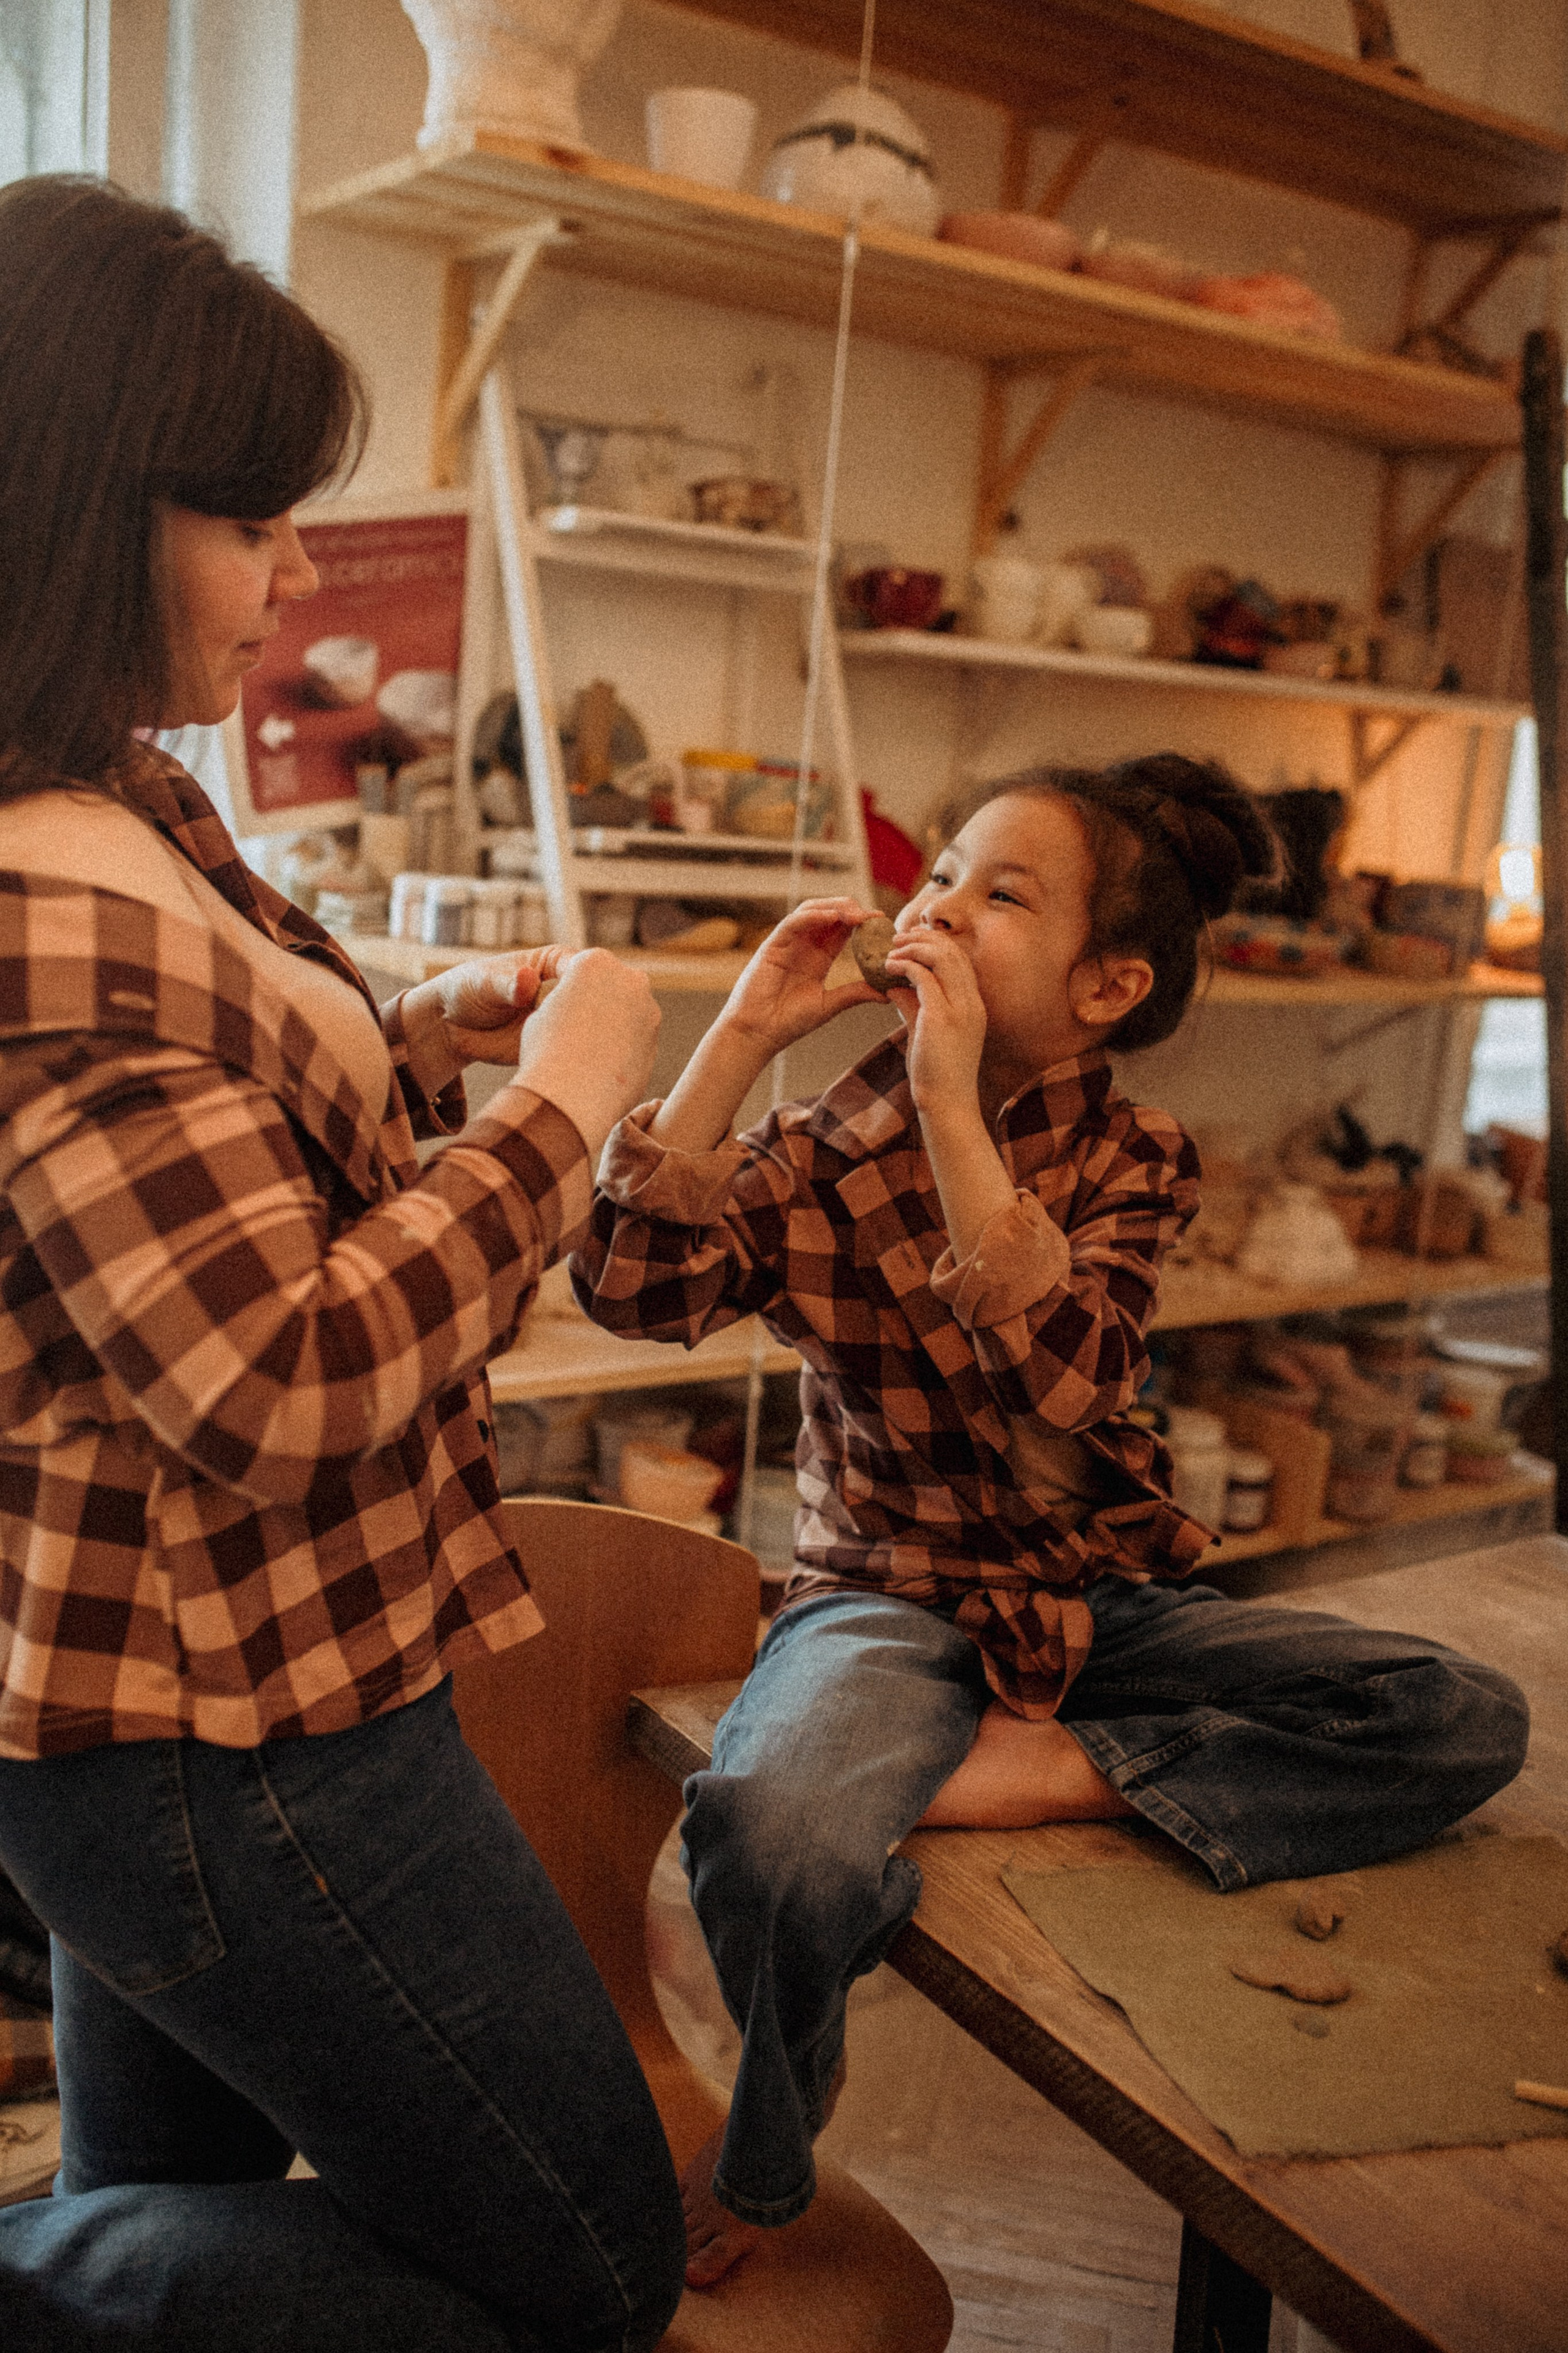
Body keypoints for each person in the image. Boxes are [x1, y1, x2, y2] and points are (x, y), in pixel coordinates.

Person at [0, 176, 684, 2352]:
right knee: (587, 2277)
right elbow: (273, 1379)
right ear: (85, 504)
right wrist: (559, 1112)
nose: (299, 572)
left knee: (168, 2196)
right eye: (255, 517)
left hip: (216, 1692)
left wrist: (406, 1044)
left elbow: (188, 1148)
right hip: (227, 1736)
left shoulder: (110, 787)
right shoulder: (35, 904)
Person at [573, 754, 1531, 2287]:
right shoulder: (826, 1138)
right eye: (940, 872)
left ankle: (1054, 1772)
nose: (939, 907)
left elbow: (1076, 1383)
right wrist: (740, 1034)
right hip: (881, 1598)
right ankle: (774, 2137)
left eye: (996, 892)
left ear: (1108, 985)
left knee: (1458, 1716)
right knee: (769, 1833)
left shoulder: (1137, 1157)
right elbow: (632, 1288)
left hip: (1102, 1598)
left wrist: (953, 1108)